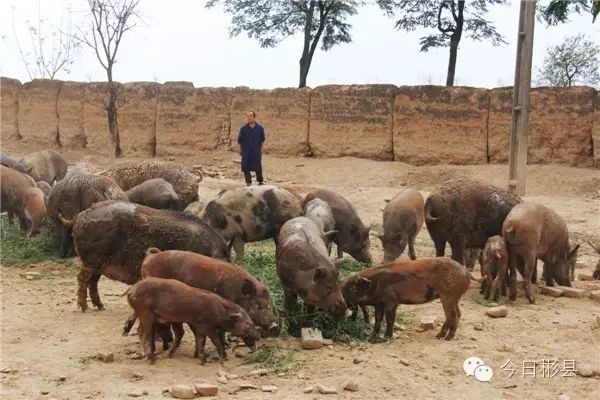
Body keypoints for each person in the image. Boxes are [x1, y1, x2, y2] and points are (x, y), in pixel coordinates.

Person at [238, 111, 265, 186]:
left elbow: (262, 139)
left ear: (254, 117)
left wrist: (261, 149)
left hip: (256, 150)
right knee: (245, 165)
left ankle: (260, 181)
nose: (249, 118)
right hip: (246, 150)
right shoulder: (243, 129)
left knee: (258, 165)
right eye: (248, 116)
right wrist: (240, 149)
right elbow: (240, 140)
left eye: (251, 116)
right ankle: (248, 182)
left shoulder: (260, 128)